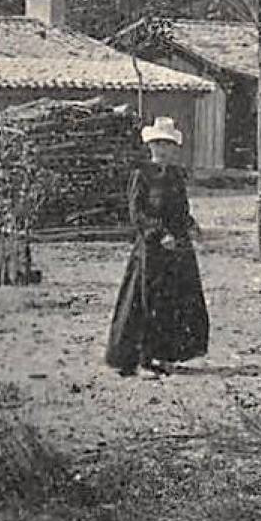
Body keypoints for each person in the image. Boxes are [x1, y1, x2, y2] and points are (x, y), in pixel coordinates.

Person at [105, 116, 210, 377]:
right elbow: (137, 213)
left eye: (167, 145)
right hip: (151, 250)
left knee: (173, 302)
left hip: (177, 250)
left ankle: (163, 355)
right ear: (150, 147)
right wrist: (159, 234)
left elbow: (181, 209)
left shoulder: (175, 175)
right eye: (158, 144)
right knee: (145, 300)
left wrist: (190, 225)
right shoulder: (141, 175)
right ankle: (140, 358)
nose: (162, 150)